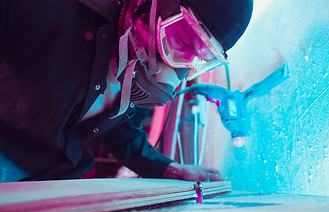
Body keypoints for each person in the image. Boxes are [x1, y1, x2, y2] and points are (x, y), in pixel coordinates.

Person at [0, 0, 252, 182]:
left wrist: (170, 169)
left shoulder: (135, 68)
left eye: (199, 58)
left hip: (49, 176)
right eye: (183, 40)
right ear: (149, 5)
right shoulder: (49, 9)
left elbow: (121, 132)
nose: (179, 65)